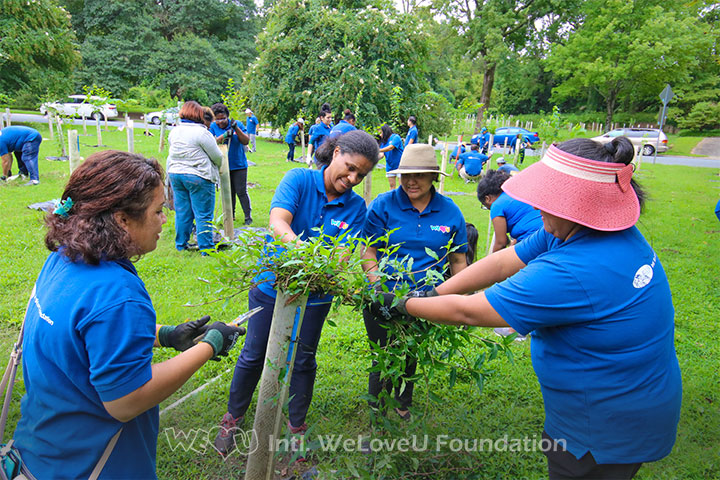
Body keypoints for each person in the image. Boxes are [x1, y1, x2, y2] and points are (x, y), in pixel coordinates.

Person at [372, 136, 682, 480]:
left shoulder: (574, 270)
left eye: (545, 200)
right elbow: (506, 260)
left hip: (604, 425)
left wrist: (403, 303)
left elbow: (470, 312)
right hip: (630, 398)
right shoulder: (587, 229)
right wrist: (435, 291)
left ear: (574, 204)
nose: (536, 209)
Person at [12, 150, 244, 478]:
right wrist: (211, 345)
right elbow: (126, 401)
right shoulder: (118, 295)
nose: (165, 220)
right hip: (93, 465)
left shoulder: (65, 258)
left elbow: (84, 337)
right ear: (122, 219)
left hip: (44, 450)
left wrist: (166, 335)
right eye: (158, 210)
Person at [214, 130, 381, 456]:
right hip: (269, 286)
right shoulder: (299, 180)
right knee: (254, 354)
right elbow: (279, 222)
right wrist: (309, 255)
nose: (352, 178)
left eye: (361, 174)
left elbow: (343, 256)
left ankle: (296, 427)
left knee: (303, 359)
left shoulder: (357, 207)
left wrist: (323, 267)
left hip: (316, 296)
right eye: (349, 167)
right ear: (334, 152)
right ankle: (232, 418)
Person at [362, 143, 468, 420]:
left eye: (419, 175)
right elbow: (368, 251)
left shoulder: (450, 212)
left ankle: (403, 402)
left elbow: (458, 261)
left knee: (412, 349)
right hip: (384, 297)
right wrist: (377, 289)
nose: (411, 181)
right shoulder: (382, 206)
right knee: (383, 354)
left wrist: (460, 302)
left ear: (434, 176)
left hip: (427, 298)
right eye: (406, 174)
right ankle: (379, 409)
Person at [167, 101, 224, 252]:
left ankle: (181, 245)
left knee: (183, 212)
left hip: (176, 175)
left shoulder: (175, 131)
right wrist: (217, 168)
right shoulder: (201, 133)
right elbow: (217, 156)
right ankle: (206, 248)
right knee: (203, 214)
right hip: (198, 176)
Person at [210, 103, 252, 225]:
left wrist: (235, 129)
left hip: (238, 164)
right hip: (223, 164)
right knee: (228, 191)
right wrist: (223, 136)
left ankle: (247, 216)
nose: (220, 122)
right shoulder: (213, 126)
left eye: (223, 118)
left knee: (241, 191)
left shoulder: (237, 124)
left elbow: (246, 141)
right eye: (217, 119)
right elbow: (212, 142)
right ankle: (230, 215)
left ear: (227, 117)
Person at [378, 124, 404, 189]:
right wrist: (373, 159)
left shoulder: (395, 137)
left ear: (385, 131)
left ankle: (401, 199)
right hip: (390, 166)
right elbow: (381, 154)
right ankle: (393, 198)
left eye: (381, 133)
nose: (380, 135)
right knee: (392, 186)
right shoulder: (383, 142)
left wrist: (378, 149)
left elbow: (391, 147)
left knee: (401, 187)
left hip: (400, 166)